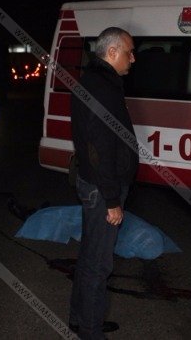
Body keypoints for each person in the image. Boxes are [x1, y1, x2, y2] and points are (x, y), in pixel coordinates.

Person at [69, 27, 139, 339]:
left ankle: (81, 320)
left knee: (89, 258)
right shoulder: (102, 88)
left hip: (96, 185)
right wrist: (112, 199)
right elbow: (100, 149)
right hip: (102, 190)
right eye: (129, 52)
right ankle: (90, 331)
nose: (132, 59)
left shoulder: (99, 83)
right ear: (112, 52)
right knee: (98, 265)